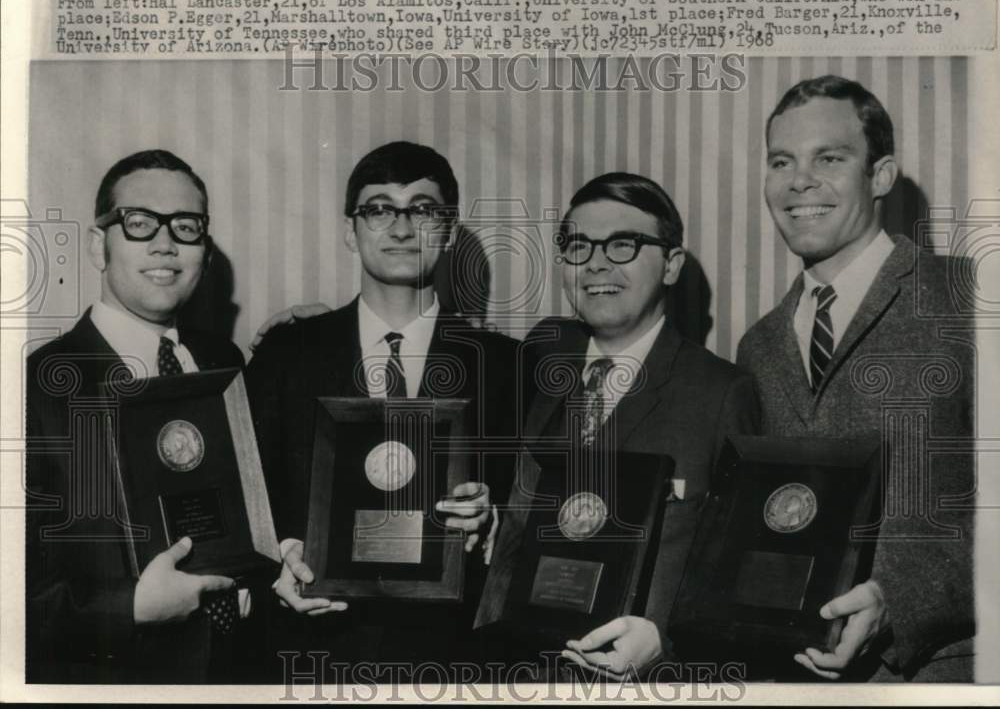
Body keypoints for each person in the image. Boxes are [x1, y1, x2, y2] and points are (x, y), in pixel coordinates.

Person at [245, 141, 522, 680]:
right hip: (308, 653)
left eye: (422, 209)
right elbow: (247, 492)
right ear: (351, 230)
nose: (400, 228)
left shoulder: (506, 368)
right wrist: (276, 561)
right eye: (378, 208)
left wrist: (492, 526)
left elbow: (530, 516)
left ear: (447, 230)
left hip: (452, 661)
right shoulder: (287, 353)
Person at [737, 75, 975, 681]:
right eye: (781, 161)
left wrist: (898, 598)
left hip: (941, 672)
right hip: (789, 675)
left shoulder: (968, 298)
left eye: (830, 158)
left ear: (881, 175)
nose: (799, 181)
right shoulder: (758, 345)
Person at [25, 149, 259, 684]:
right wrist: (129, 608)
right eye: (138, 223)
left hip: (246, 672)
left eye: (186, 226)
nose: (164, 243)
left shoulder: (228, 363)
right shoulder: (33, 388)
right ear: (96, 246)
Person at [519, 172, 760, 679]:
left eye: (623, 244)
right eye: (579, 246)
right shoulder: (539, 372)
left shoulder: (721, 393)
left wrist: (664, 638)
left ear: (671, 265)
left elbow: (739, 567)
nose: (598, 263)